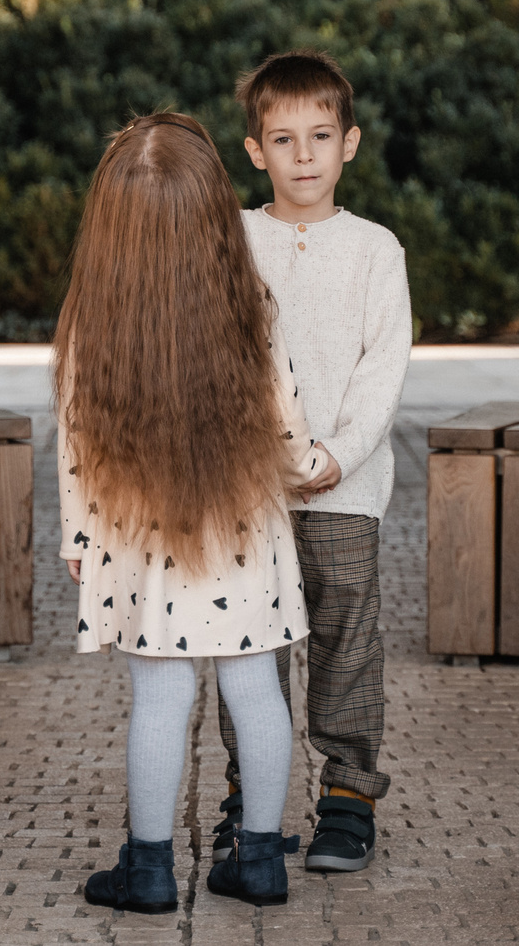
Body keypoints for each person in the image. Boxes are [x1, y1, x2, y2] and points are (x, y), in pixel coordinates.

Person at [58, 112, 331, 913]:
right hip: (245, 528)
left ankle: (146, 869)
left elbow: (74, 438)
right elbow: (288, 425)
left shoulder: (90, 316)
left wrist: (79, 535)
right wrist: (313, 467)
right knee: (256, 692)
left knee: (161, 698)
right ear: (214, 209)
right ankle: (260, 860)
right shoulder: (248, 299)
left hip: (142, 536)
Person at [214, 50, 412, 878]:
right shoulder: (233, 239)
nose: (304, 155)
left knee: (344, 637)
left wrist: (337, 454)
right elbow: (222, 353)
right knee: (248, 645)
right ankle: (250, 799)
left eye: (320, 136)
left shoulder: (374, 248)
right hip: (248, 491)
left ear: (350, 143)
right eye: (284, 138)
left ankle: (348, 796)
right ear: (255, 150)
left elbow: (384, 362)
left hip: (345, 487)